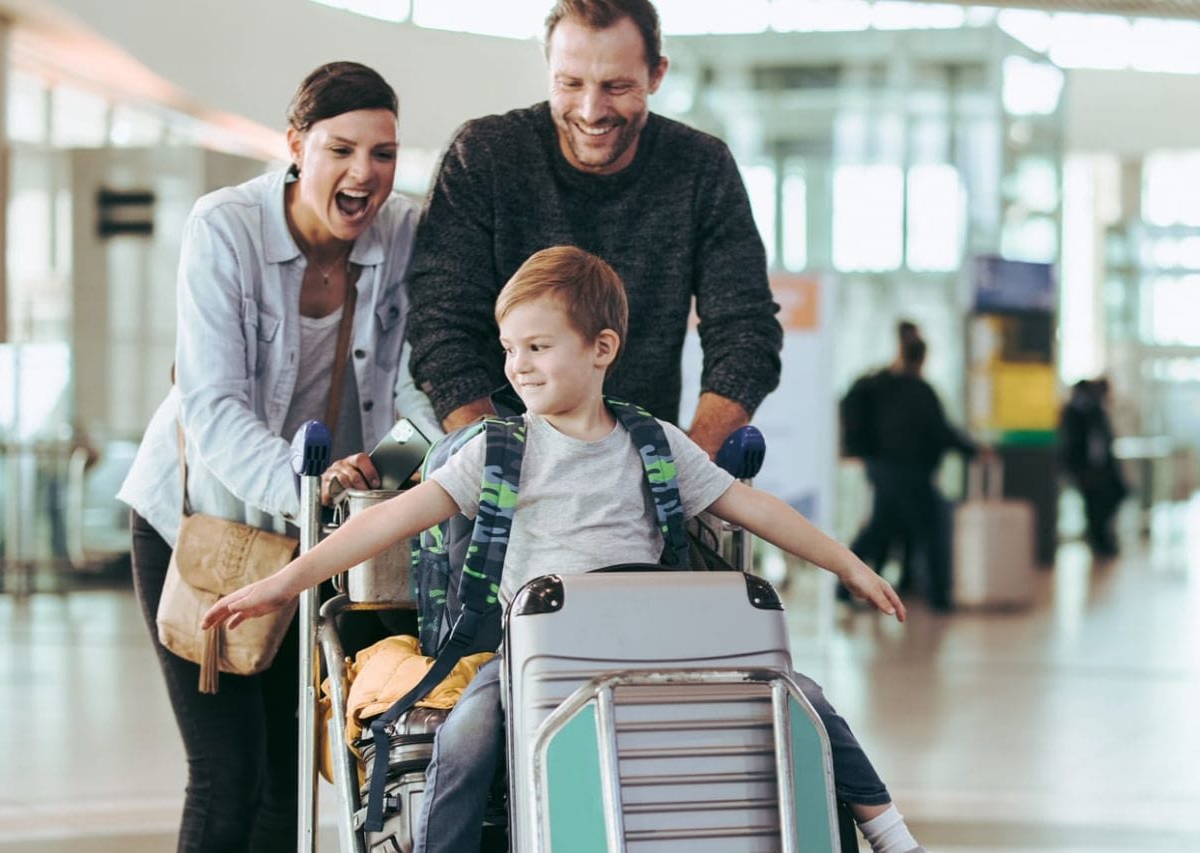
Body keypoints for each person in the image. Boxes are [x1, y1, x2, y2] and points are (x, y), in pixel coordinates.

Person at [202, 247, 926, 853]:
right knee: (468, 734)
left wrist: (849, 564)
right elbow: (389, 520)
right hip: (533, 656)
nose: (517, 366)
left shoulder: (655, 443)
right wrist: (286, 581)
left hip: (652, 648)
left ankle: (886, 828)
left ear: (601, 348)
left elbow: (755, 509)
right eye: (511, 349)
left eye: (538, 347)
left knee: (801, 694)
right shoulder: (497, 448)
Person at [114, 62, 431, 852]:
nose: (366, 174)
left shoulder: (406, 237)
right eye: (342, 149)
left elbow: (423, 390)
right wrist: (313, 487)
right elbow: (211, 406)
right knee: (228, 773)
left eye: (384, 153)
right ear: (296, 145)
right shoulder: (225, 228)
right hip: (200, 523)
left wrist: (375, 479)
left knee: (290, 778)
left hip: (317, 534)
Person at [405, 0, 781, 453]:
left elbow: (746, 333)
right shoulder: (484, 156)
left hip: (644, 469)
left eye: (616, 86)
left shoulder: (701, 168)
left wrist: (686, 471)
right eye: (570, 83)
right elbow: (440, 328)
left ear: (656, 75)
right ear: (549, 69)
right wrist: (503, 465)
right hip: (496, 463)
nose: (590, 110)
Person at [839, 321, 978, 609]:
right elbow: (941, 432)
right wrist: (973, 450)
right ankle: (940, 599)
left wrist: (860, 450)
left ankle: (843, 588)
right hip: (911, 473)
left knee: (879, 530)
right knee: (930, 531)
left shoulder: (877, 384)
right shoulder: (918, 391)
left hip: (881, 469)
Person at [1059, 378, 1127, 557]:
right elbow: (1073, 445)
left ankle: (1103, 540)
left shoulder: (1095, 411)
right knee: (1095, 507)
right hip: (1087, 470)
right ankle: (1099, 542)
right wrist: (1078, 469)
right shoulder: (1079, 411)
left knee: (1109, 500)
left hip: (1100, 470)